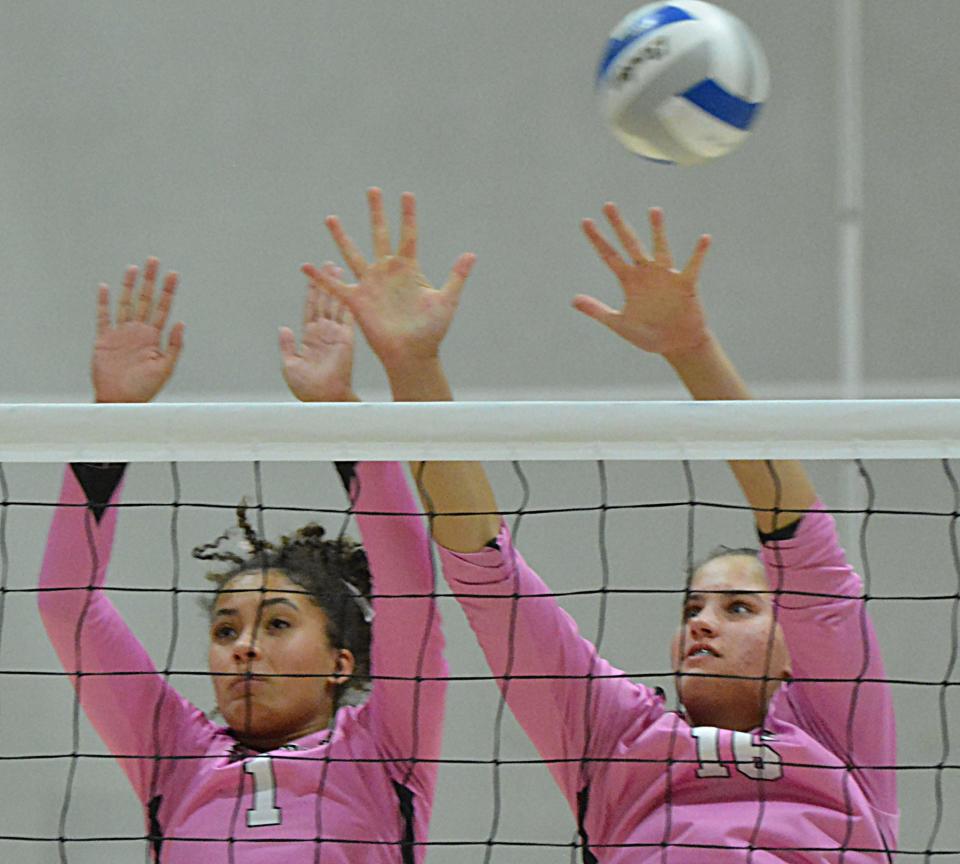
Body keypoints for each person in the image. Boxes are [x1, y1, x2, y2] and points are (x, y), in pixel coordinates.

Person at [308, 195, 898, 862]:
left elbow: (800, 536)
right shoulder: (615, 735)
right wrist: (413, 367)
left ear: (798, 651)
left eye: (739, 607)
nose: (702, 623)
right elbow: (489, 577)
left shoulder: (837, 728)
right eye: (693, 607)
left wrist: (693, 350)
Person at [38, 256, 447, 862]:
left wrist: (338, 410)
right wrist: (111, 421)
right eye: (226, 628)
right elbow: (66, 604)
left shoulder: (383, 747)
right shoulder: (174, 753)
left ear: (341, 662)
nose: (243, 646)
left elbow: (409, 588)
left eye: (277, 623)